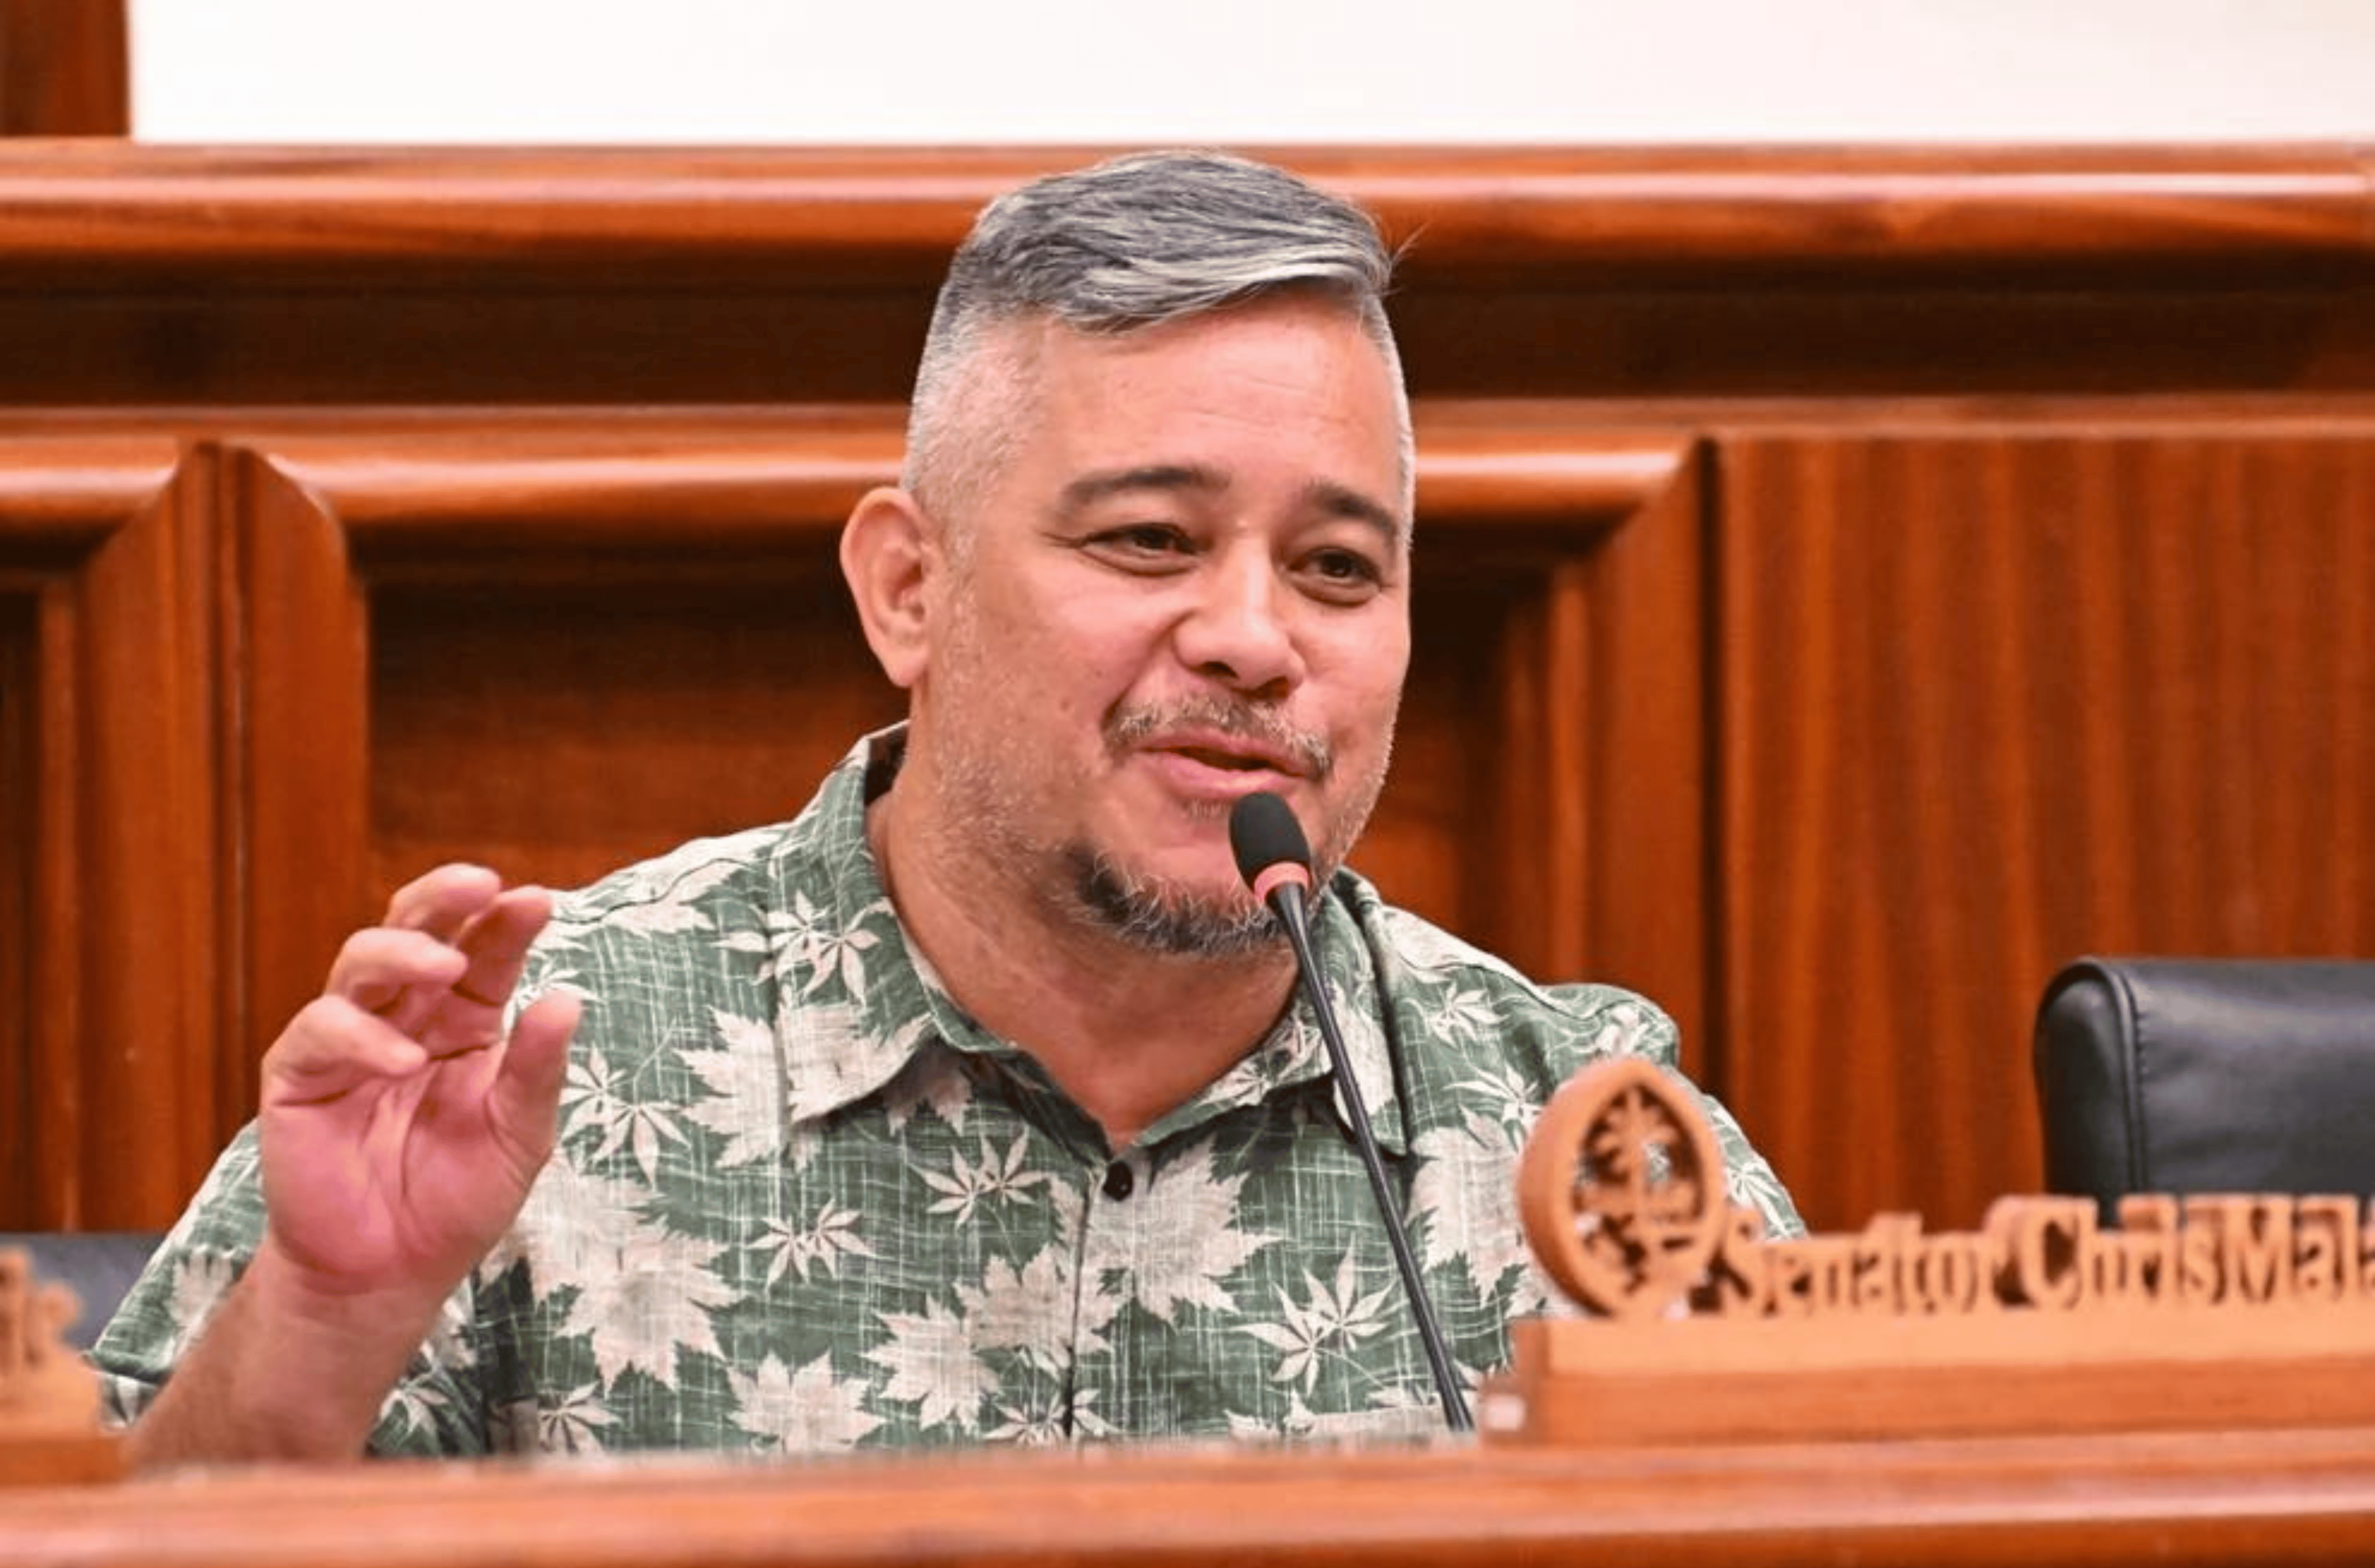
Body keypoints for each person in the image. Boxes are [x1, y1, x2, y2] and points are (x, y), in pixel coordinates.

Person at [92, 150, 1801, 1463]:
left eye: (1338, 567)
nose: (1256, 639)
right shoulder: (539, 1070)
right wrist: (322, 1319)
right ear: (909, 587)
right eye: (1147, 538)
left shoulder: (1589, 1149)